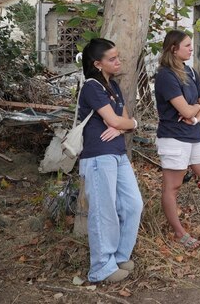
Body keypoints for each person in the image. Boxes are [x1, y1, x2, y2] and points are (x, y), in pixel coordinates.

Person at [78, 38, 143, 283]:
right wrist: (128, 124)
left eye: (118, 57)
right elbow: (119, 121)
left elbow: (122, 121)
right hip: (98, 155)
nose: (118, 62)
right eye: (112, 59)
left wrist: (125, 124)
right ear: (98, 64)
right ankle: (101, 268)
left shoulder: (112, 86)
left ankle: (119, 256)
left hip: (117, 153)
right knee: (103, 211)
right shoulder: (92, 87)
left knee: (132, 204)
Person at [155, 30, 200, 250]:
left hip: (194, 135)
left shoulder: (191, 72)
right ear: (173, 49)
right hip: (174, 137)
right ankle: (179, 233)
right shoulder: (166, 75)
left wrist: (195, 116)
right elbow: (187, 109)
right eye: (186, 45)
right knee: (173, 187)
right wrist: (194, 109)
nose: (191, 48)